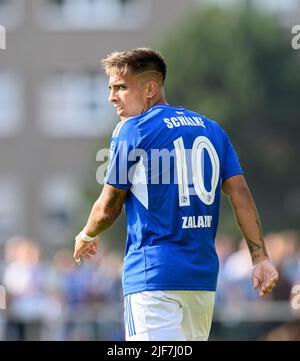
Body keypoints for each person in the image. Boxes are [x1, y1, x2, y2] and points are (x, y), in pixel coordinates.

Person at [73, 47, 279, 341]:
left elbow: (108, 207)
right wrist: (260, 258)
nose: (112, 97)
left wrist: (86, 235)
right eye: (110, 88)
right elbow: (240, 193)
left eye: (121, 87)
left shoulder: (132, 129)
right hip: (201, 282)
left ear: (150, 89)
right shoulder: (212, 129)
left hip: (152, 277)